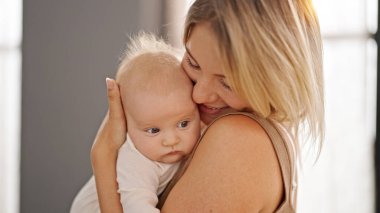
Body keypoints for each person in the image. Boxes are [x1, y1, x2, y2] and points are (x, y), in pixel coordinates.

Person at [91, 0, 324, 212]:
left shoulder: (239, 142)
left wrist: (102, 158)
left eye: (228, 84)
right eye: (193, 62)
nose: (198, 94)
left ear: (276, 82)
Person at [70, 33, 201, 213]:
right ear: (126, 125)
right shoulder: (136, 162)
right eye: (154, 130)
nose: (171, 140)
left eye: (183, 124)